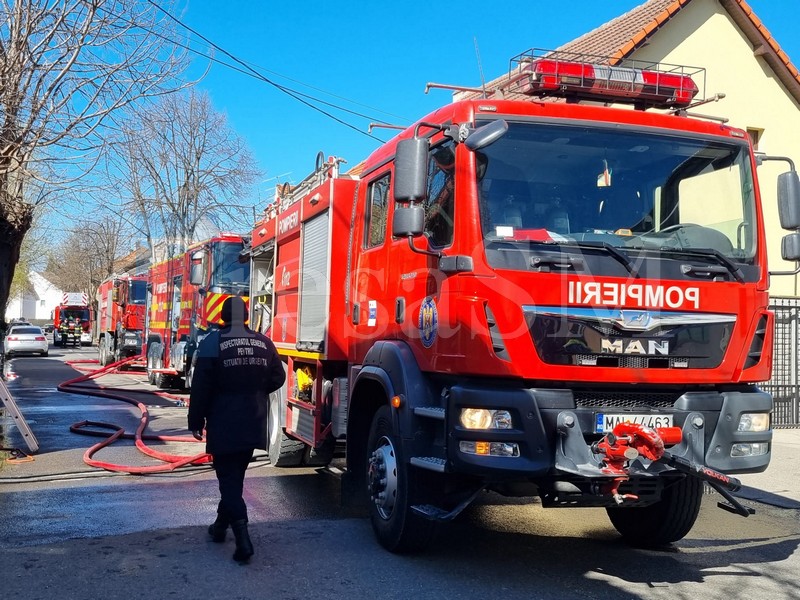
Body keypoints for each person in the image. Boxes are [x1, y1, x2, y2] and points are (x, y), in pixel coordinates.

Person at [188, 295, 285, 564]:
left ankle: (243, 539)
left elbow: (201, 387)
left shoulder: (212, 342)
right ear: (246, 316)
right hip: (253, 420)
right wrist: (256, 391)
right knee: (234, 478)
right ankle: (220, 527)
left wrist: (196, 421)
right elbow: (279, 377)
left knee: (228, 480)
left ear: (223, 316)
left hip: (224, 421)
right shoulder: (264, 342)